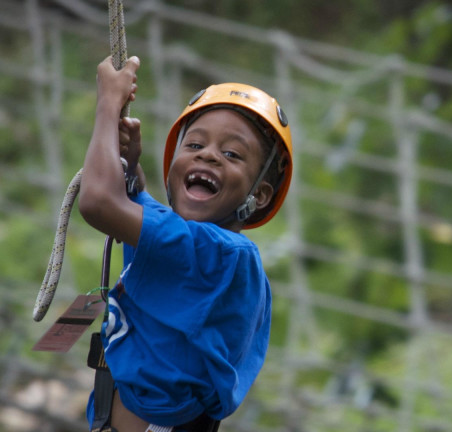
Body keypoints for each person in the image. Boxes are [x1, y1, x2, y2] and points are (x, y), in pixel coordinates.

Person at [79, 55, 293, 432]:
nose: (208, 154)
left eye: (232, 154)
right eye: (194, 145)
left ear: (258, 196)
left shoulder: (224, 255)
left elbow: (98, 202)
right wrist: (128, 166)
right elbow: (131, 206)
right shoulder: (189, 244)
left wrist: (108, 104)